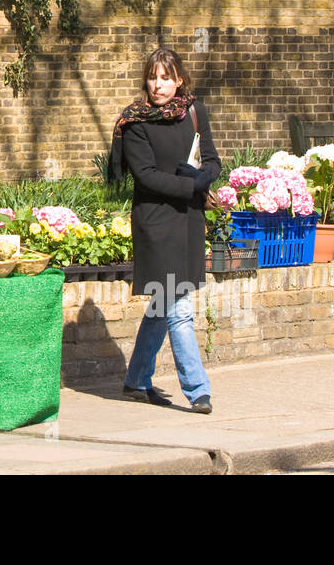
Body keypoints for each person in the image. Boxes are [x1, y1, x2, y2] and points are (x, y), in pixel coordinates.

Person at [111, 47, 221, 414]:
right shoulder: (135, 122)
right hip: (156, 222)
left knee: (162, 303)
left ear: (179, 80)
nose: (158, 85)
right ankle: (198, 389)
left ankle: (136, 380)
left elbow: (212, 158)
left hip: (188, 220)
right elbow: (147, 177)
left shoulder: (193, 111)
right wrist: (194, 188)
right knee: (179, 308)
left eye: (166, 77)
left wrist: (205, 179)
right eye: (153, 77)